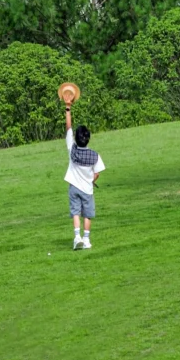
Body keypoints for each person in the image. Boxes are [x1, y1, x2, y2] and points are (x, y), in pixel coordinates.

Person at [65, 103, 104, 250]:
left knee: (75, 212)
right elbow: (97, 173)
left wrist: (68, 108)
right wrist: (91, 180)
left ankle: (77, 237)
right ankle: (86, 239)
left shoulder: (72, 149)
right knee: (87, 215)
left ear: (76, 138)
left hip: (74, 187)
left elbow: (68, 127)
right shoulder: (94, 155)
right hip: (87, 189)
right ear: (88, 139)